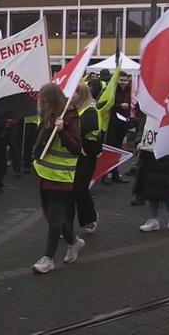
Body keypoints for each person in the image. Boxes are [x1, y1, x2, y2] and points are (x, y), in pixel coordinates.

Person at [31, 83, 84, 274]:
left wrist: (62, 131)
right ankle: (73, 241)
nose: (42, 105)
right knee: (51, 216)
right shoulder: (48, 115)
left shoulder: (69, 117)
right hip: (45, 173)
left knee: (54, 217)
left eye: (45, 102)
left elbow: (76, 148)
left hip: (61, 176)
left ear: (53, 101)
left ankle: (48, 258)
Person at [71, 83, 103, 233]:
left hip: (86, 156)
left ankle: (90, 217)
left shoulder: (90, 111)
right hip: (72, 155)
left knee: (80, 188)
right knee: (70, 190)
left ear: (82, 94)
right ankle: (66, 226)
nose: (71, 96)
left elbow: (81, 130)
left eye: (75, 93)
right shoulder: (72, 109)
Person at [134, 148, 169, 232]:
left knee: (164, 188)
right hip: (150, 155)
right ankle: (154, 219)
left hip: (166, 155)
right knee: (151, 188)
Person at [103, 71, 131, 184]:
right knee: (110, 148)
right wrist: (120, 106)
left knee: (118, 149)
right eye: (121, 80)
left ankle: (115, 173)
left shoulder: (128, 90)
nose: (123, 82)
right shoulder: (111, 90)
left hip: (123, 123)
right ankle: (105, 175)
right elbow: (105, 105)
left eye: (125, 80)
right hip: (112, 123)